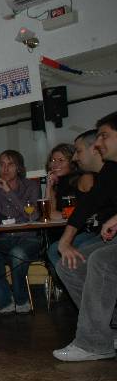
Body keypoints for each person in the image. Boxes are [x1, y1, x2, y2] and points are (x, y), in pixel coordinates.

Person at [53, 112, 117, 361]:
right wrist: (65, 241)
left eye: (104, 136)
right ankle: (108, 329)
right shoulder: (111, 170)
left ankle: (93, 343)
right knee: (68, 264)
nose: (98, 143)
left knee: (101, 260)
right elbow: (87, 205)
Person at [0, 150, 40, 315]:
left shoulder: (31, 186)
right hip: (5, 238)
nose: (5, 169)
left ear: (19, 167)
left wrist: (9, 192)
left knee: (17, 253)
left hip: (29, 238)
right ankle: (5, 300)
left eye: (10, 164)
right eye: (2, 165)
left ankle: (21, 299)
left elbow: (32, 216)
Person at [46, 131, 109, 268]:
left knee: (58, 250)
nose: (55, 164)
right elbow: (50, 214)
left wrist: (65, 215)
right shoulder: (59, 184)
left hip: (90, 230)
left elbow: (89, 209)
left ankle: (75, 277)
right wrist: (49, 186)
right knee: (53, 249)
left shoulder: (85, 178)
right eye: (53, 160)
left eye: (61, 160)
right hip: (72, 230)